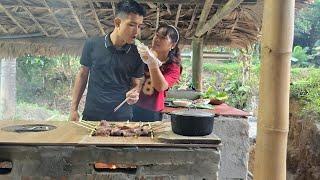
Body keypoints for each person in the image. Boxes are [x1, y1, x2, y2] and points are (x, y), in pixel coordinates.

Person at [69, 0, 146, 121]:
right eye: (131, 25)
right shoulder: (92, 44)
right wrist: (73, 109)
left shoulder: (138, 53)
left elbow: (136, 83)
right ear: (117, 23)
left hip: (122, 117)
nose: (137, 31)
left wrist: (135, 93)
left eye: (139, 26)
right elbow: (82, 75)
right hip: (92, 114)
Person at [132, 24, 182, 121]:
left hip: (153, 111)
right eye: (157, 35)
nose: (157, 39)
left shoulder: (173, 67)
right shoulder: (142, 54)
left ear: (173, 45)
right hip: (133, 104)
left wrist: (152, 62)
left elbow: (160, 86)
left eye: (163, 38)